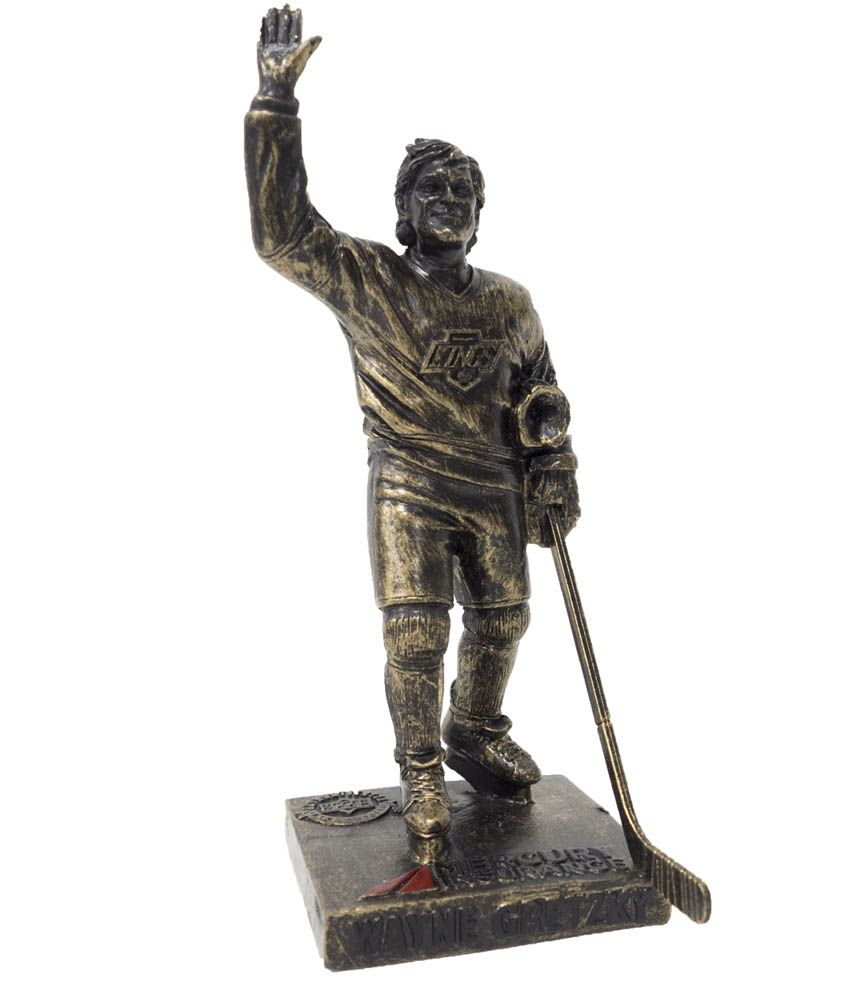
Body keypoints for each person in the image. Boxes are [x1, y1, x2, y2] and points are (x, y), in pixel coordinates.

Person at [245, 6, 580, 839]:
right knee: (417, 632)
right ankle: (422, 767)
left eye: (464, 193)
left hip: (493, 484)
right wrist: (275, 106)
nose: (450, 201)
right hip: (408, 482)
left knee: (504, 618)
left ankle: (475, 727)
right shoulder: (368, 278)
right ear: (404, 208)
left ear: (480, 213)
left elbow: (542, 393)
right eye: (433, 189)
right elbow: (283, 236)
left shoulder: (511, 302)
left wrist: (554, 465)